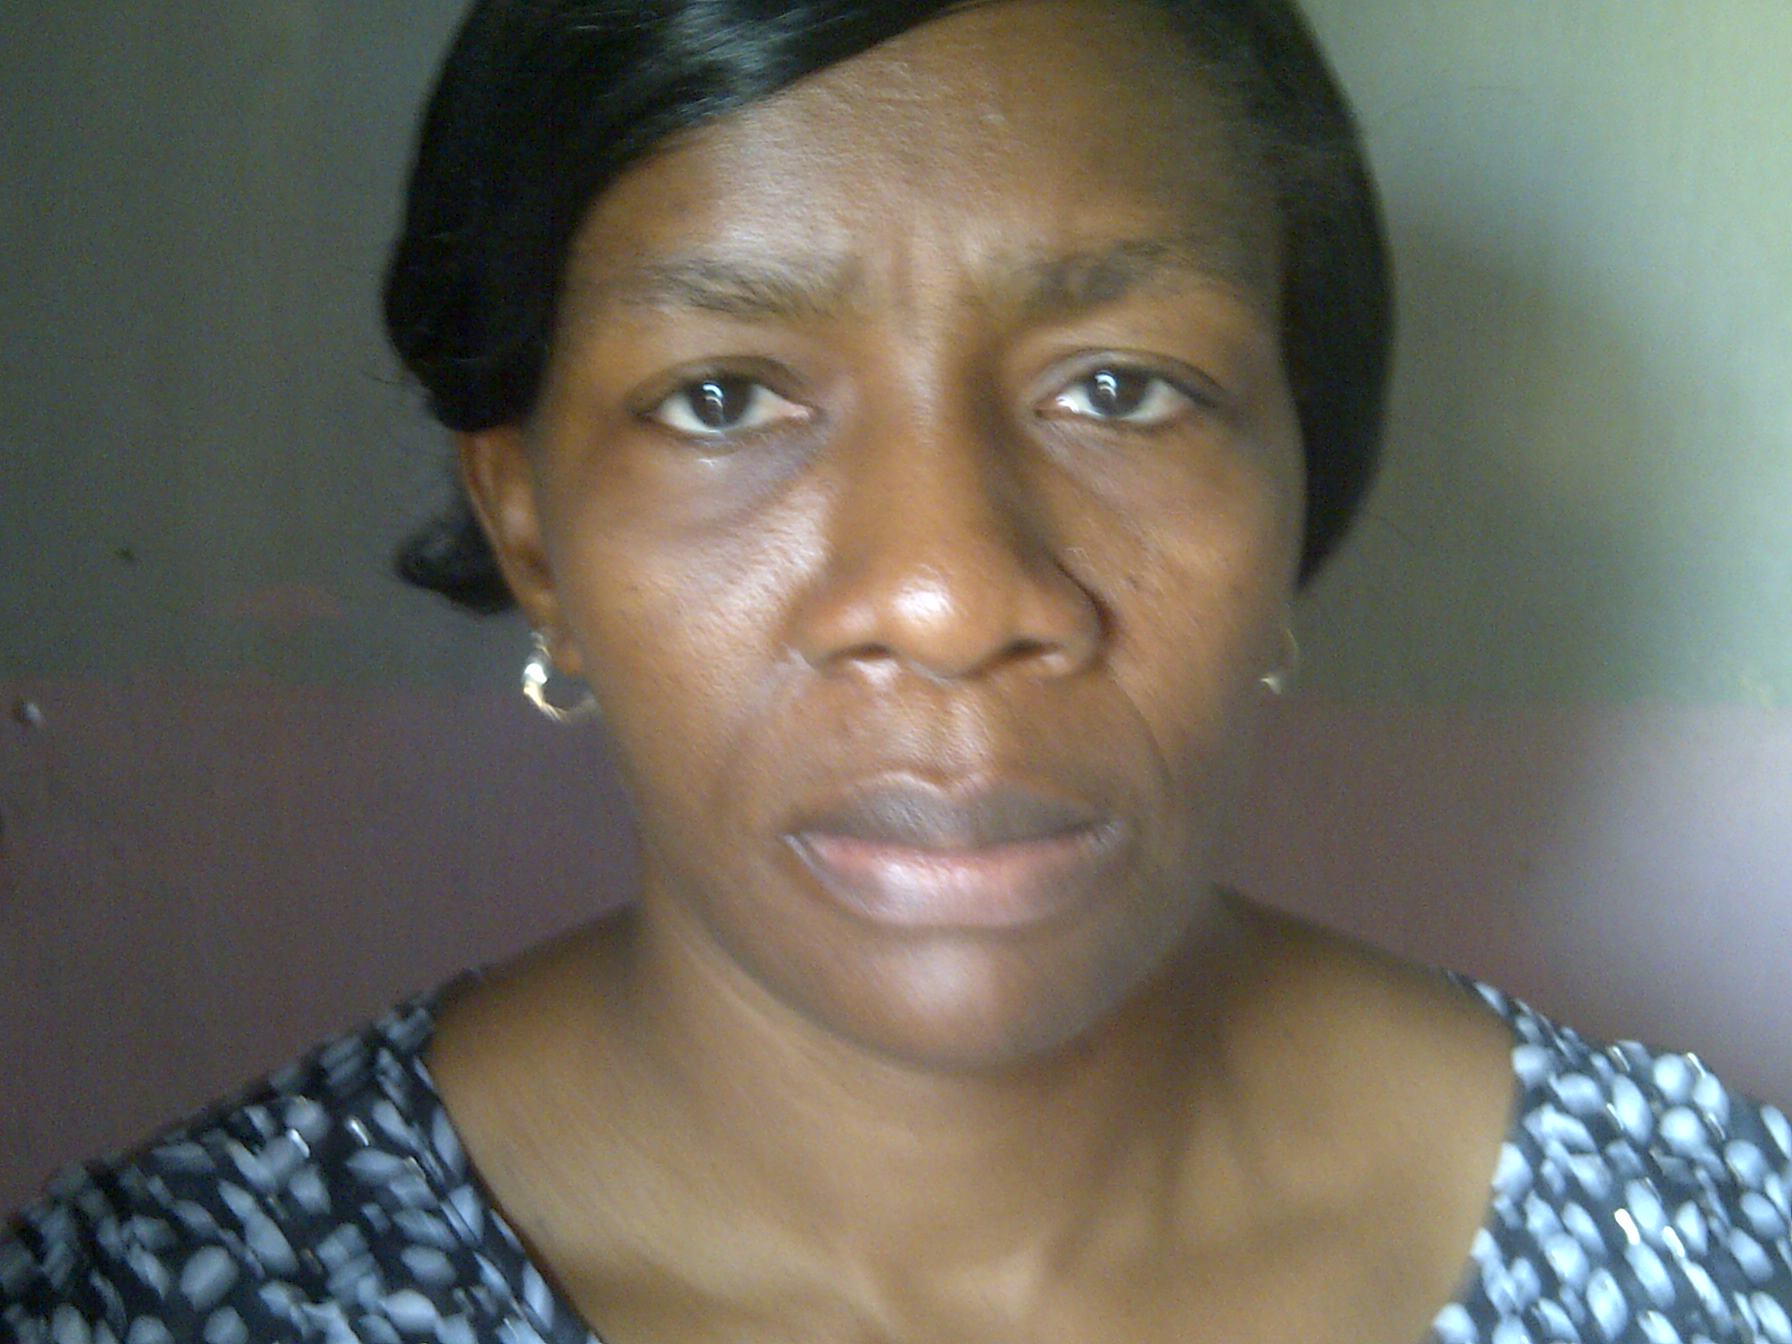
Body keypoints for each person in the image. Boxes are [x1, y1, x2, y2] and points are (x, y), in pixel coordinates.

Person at [5, 0, 1789, 1340]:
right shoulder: (169, 1300)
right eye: (722, 397)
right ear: (530, 527)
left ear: (1292, 479)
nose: (946, 597)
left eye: (1120, 388)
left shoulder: (1718, 1260)